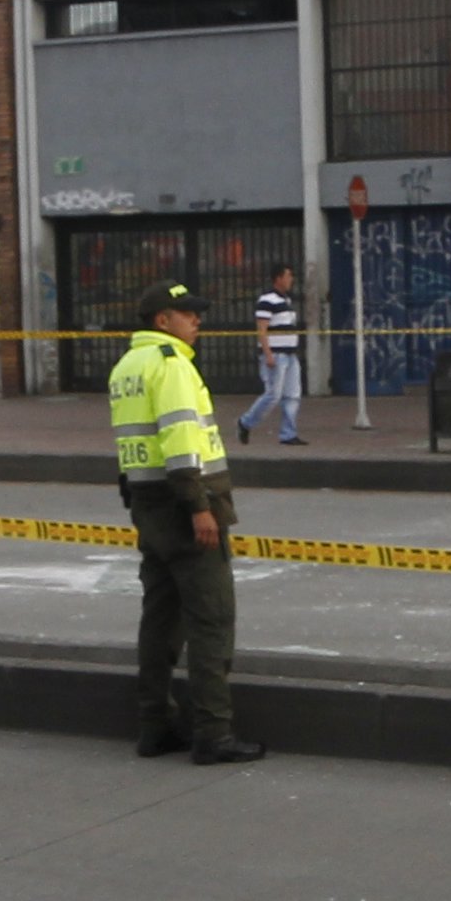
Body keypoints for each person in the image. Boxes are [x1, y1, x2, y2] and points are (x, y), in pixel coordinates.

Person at [112, 280, 263, 764]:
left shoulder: (127, 366)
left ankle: (154, 725)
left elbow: (131, 444)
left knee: (159, 618)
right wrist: (200, 506)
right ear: (163, 321)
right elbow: (181, 441)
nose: (196, 320)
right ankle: (213, 733)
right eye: (187, 313)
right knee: (211, 618)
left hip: (147, 504)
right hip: (185, 506)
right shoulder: (171, 364)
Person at [234, 261, 306, 445]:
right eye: (288, 276)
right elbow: (262, 330)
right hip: (276, 354)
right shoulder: (267, 301)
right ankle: (246, 422)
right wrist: (268, 354)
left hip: (290, 354)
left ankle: (288, 433)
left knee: (292, 394)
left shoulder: (286, 301)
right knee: (273, 394)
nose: (291, 280)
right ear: (278, 278)